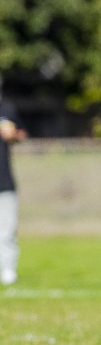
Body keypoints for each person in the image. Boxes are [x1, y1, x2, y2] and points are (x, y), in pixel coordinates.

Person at [0, 76, 27, 285]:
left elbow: (22, 134)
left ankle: (8, 269)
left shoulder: (7, 110)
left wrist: (14, 135)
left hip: (5, 181)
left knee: (7, 228)